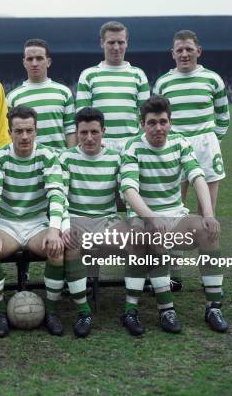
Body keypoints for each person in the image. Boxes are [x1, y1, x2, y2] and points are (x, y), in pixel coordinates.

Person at [120, 96, 228, 335]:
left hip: (175, 214)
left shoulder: (180, 142)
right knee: (157, 237)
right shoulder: (133, 146)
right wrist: (151, 217)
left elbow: (197, 177)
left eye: (162, 122)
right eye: (152, 123)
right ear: (142, 124)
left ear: (170, 122)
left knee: (209, 232)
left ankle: (213, 307)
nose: (158, 128)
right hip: (143, 216)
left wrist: (208, 214)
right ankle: (166, 310)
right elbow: (128, 190)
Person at [0, 105, 91, 338]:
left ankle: (51, 311)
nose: (24, 136)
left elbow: (56, 195)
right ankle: (1, 313)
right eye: (18, 131)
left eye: (29, 130)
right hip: (7, 224)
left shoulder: (48, 156)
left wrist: (54, 230)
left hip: (36, 223)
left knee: (57, 247)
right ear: (10, 132)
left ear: (36, 131)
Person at [153, 29, 230, 289]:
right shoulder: (163, 83)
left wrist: (209, 140)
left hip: (205, 146)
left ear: (199, 51)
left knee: (207, 214)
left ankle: (208, 276)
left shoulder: (213, 79)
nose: (184, 54)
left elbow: (223, 118)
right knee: (172, 213)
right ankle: (172, 273)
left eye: (189, 49)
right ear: (172, 53)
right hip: (174, 147)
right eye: (179, 50)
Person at [59, 107, 127, 337]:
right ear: (76, 133)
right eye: (84, 132)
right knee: (72, 240)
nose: (89, 138)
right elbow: (59, 196)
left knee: (136, 241)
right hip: (75, 219)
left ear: (104, 131)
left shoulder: (116, 158)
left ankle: (133, 308)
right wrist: (65, 225)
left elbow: (127, 192)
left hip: (107, 220)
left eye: (94, 132)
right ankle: (84, 311)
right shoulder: (66, 158)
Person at [76, 21, 150, 152]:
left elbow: (144, 115)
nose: (116, 47)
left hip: (131, 144)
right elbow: (82, 115)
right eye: (111, 42)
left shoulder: (138, 74)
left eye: (120, 42)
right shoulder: (88, 75)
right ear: (101, 43)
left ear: (127, 43)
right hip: (100, 145)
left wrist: (138, 143)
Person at [7, 38, 76, 150]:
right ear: (24, 63)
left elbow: (71, 130)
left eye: (39, 58)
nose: (34, 63)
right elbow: (11, 134)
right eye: (30, 59)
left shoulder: (64, 92)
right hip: (28, 163)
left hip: (58, 162)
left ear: (48, 62)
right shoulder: (12, 97)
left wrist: (70, 158)